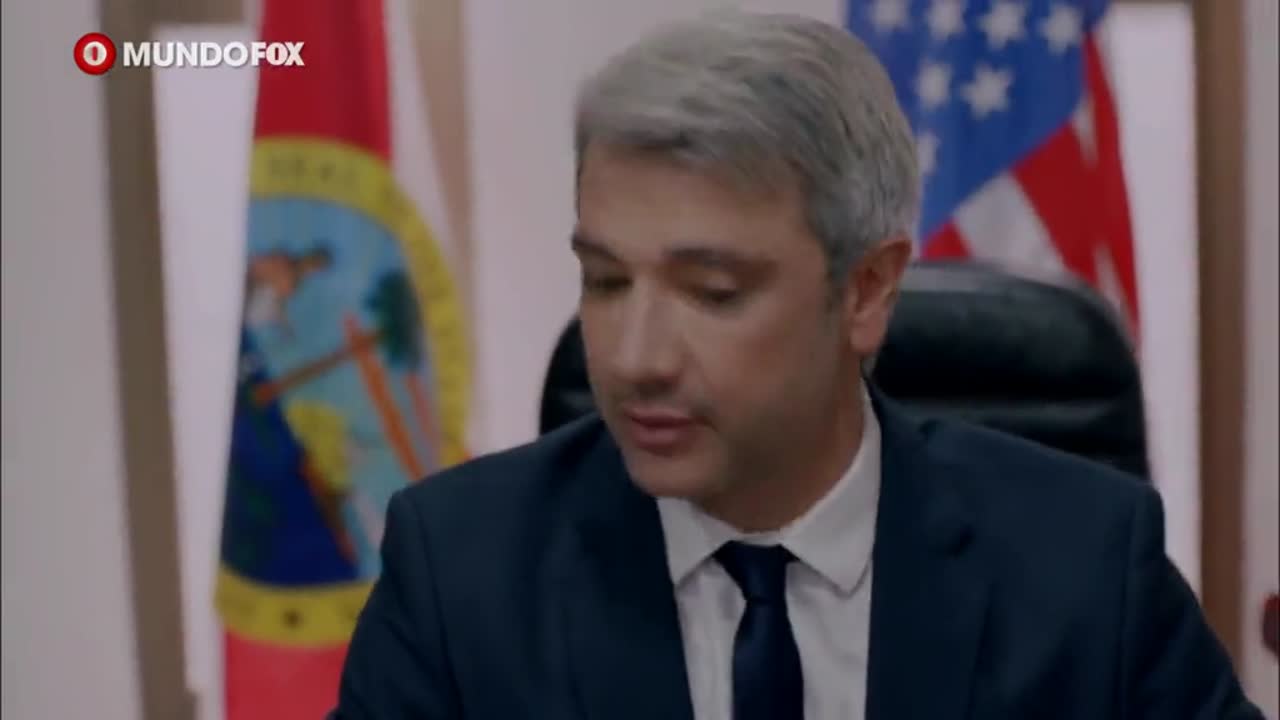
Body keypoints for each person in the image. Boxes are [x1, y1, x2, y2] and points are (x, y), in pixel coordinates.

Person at [332, 11, 1261, 719]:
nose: (635, 357)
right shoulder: (461, 574)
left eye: (712, 292)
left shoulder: (1084, 567)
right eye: (606, 281)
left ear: (865, 291)